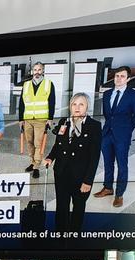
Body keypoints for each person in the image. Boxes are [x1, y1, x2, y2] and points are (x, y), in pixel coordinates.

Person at [44, 93, 101, 232]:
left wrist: (88, 181)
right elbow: (58, 145)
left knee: (78, 207)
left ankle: (74, 235)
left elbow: (94, 157)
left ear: (87, 106)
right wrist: (50, 157)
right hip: (62, 173)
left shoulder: (94, 126)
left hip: (81, 177)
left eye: (81, 104)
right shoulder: (64, 122)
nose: (77, 107)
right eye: (74, 104)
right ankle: (60, 234)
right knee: (61, 206)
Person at [93, 66, 135, 208]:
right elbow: (107, 114)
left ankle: (119, 194)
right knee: (107, 163)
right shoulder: (108, 94)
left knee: (122, 165)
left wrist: (127, 129)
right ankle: (108, 188)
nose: (118, 78)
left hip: (122, 135)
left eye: (122, 76)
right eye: (116, 76)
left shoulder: (133, 95)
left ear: (128, 79)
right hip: (107, 134)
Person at [19, 62, 55, 179]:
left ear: (43, 71)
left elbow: (52, 102)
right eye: (35, 70)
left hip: (41, 119)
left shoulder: (48, 84)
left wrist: (50, 118)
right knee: (29, 142)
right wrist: (21, 119)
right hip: (28, 119)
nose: (37, 72)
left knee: (38, 144)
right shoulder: (26, 85)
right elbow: (21, 103)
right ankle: (33, 162)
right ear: (32, 71)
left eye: (39, 70)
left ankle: (36, 167)